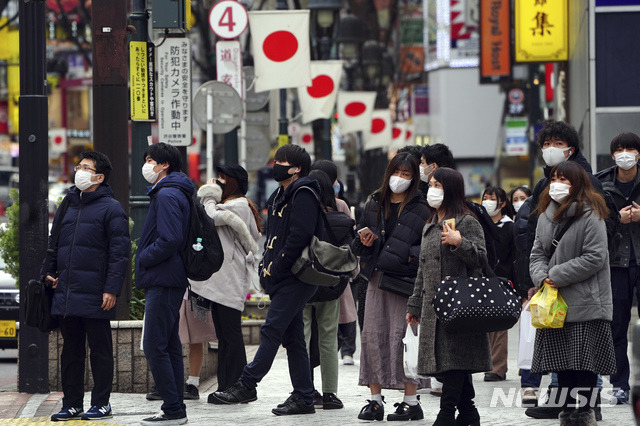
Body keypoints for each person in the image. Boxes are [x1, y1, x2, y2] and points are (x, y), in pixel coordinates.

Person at [211, 145, 322, 416]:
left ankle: (247, 384)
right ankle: (304, 397)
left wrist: (278, 267)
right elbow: (272, 239)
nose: (276, 165)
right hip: (283, 275)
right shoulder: (279, 194)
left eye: (282, 162)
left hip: (297, 275)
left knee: (271, 329)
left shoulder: (304, 192)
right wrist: (266, 268)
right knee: (293, 338)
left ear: (296, 168)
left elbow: (299, 236)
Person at [523, 120, 615, 421]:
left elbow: (596, 256)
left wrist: (556, 275)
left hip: (585, 302)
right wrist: (540, 276)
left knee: (584, 364)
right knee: (563, 362)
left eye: (564, 178)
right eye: (554, 178)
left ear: (577, 183)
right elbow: (536, 251)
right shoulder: (546, 213)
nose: (557, 183)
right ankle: (567, 410)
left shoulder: (592, 212)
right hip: (556, 303)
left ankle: (584, 412)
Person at [47, 151, 130, 422]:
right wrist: (48, 273)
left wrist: (112, 289)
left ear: (99, 177)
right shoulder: (68, 203)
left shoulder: (112, 208)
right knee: (71, 351)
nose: (79, 171)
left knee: (100, 350)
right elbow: (54, 242)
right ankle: (71, 403)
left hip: (96, 292)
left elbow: (119, 254)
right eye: (79, 166)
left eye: (86, 167)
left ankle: (101, 403)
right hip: (68, 290)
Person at [406, 167, 490, 426]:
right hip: (434, 306)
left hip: (460, 305)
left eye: (438, 185)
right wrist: (415, 304)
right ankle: (468, 412)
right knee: (451, 361)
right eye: (431, 184)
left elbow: (482, 259)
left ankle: (446, 414)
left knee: (454, 360)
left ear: (451, 189)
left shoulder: (467, 221)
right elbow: (422, 267)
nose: (432, 189)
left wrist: (459, 242)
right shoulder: (429, 224)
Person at [353, 152, 430, 422]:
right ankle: (374, 400)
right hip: (376, 278)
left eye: (407, 174)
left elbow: (429, 243)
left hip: (405, 281)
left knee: (405, 338)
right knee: (372, 336)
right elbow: (358, 240)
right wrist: (363, 239)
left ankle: (411, 401)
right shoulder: (375, 202)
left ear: (415, 178)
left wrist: (409, 254)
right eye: (397, 172)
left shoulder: (422, 207)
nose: (400, 179)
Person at [189, 164, 262, 402]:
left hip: (230, 280)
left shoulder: (239, 204)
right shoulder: (233, 204)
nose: (218, 181)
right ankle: (226, 385)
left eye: (223, 178)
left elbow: (211, 216)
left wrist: (209, 193)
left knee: (230, 335)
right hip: (223, 280)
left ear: (234, 182)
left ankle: (241, 387)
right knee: (224, 335)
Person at [136, 142, 195, 426]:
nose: (147, 166)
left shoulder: (168, 194)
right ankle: (175, 407)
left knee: (154, 345)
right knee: (168, 344)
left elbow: (170, 238)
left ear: (164, 165)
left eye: (150, 160)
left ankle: (173, 408)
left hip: (163, 275)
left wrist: (144, 256)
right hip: (169, 276)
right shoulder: (172, 191)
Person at [303, 169, 356, 410]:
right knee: (328, 339)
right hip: (331, 285)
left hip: (303, 284)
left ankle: (303, 389)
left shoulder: (302, 214)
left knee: (302, 339)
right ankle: (330, 393)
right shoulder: (342, 219)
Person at [595, 132, 640, 405]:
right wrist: (616, 219)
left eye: (630, 149)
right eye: (619, 149)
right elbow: (594, 222)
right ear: (612, 155)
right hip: (615, 263)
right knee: (617, 325)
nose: (625, 154)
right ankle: (620, 383)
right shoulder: (600, 184)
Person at [310, 160, 358, 366]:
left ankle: (307, 383)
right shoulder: (341, 206)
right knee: (330, 329)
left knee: (311, 331)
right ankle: (329, 389)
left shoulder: (304, 202)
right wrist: (352, 271)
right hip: (335, 274)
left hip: (308, 274)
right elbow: (350, 243)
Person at [481, 186, 515, 384]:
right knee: (484, 323)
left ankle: (498, 367)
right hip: (483, 278)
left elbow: (513, 255)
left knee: (499, 326)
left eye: (491, 198)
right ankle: (486, 363)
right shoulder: (481, 223)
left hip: (503, 280)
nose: (487, 201)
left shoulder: (509, 226)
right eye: (485, 198)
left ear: (502, 203)